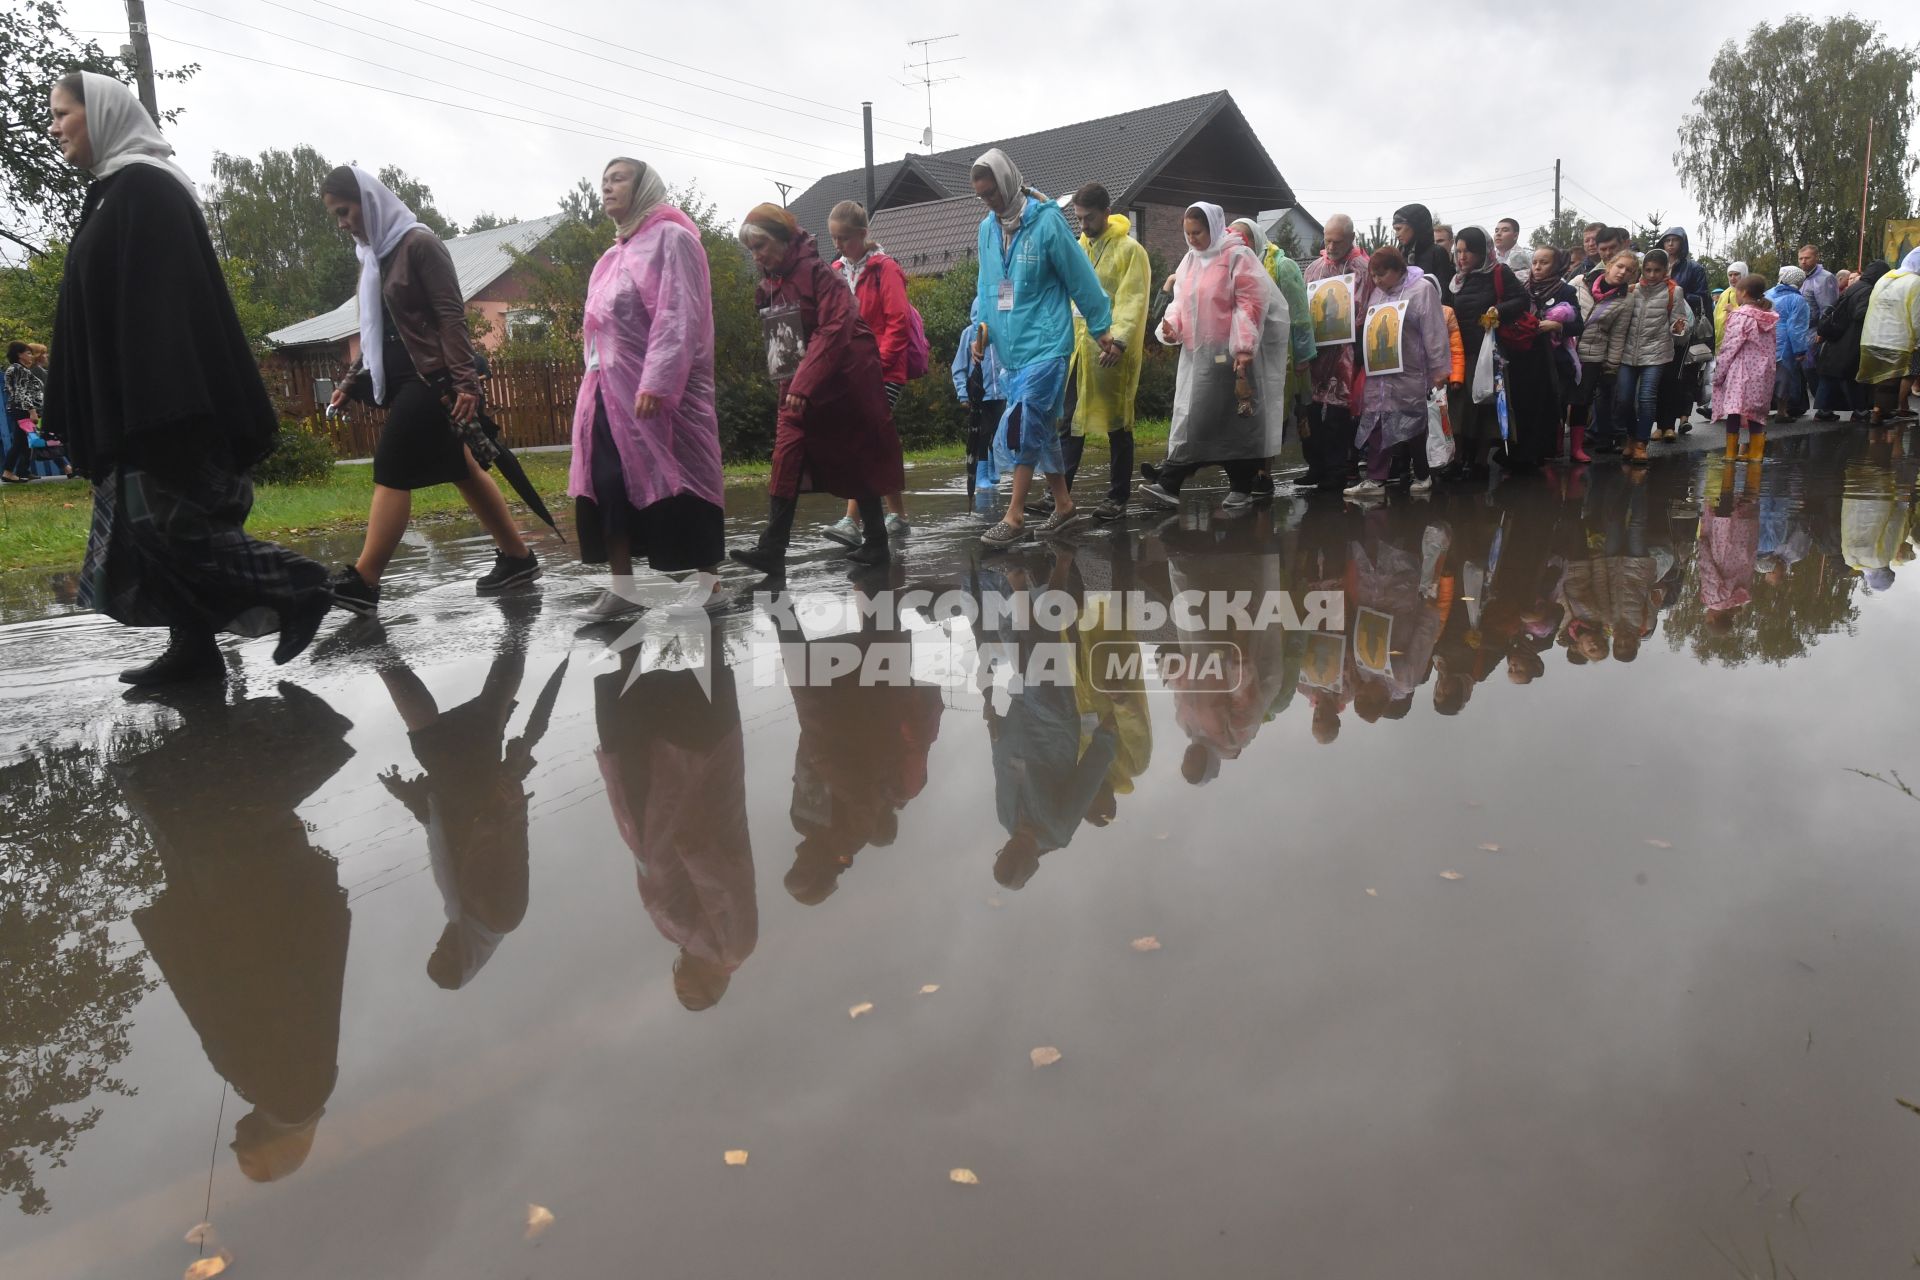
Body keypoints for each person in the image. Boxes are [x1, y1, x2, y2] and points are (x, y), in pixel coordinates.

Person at [45, 72, 332, 685]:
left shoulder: (147, 191)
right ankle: (194, 649)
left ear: (101, 114)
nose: (53, 126)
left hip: (167, 403)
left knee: (170, 527)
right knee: (139, 533)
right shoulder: (113, 192)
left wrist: (155, 410)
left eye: (63, 113)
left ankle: (300, 584)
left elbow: (165, 316)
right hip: (142, 402)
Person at [121, 683, 356, 1185]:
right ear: (273, 1146)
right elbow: (213, 1004)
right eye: (245, 1151)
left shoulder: (309, 1091)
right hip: (245, 925)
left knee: (233, 818)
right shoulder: (277, 1090)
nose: (234, 1140)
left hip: (283, 922)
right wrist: (178, 935)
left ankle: (270, 726)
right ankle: (316, 739)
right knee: (205, 820)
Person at [321, 166, 539, 615]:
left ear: (369, 202)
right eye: (336, 217)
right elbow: (376, 331)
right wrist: (349, 382)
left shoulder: (420, 244)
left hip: (432, 379)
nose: (342, 224)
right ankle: (517, 558)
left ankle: (364, 581)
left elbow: (449, 317)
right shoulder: (373, 257)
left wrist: (465, 381)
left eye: (345, 212)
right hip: (402, 378)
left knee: (391, 466)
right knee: (461, 468)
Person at [567, 158, 726, 621]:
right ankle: (623, 589)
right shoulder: (610, 256)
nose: (607, 187)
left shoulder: (673, 239)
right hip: (605, 391)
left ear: (643, 188)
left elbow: (679, 312)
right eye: (604, 180)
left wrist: (657, 378)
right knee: (607, 483)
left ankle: (710, 583)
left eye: (619, 179)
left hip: (664, 394)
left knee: (684, 480)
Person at [728, 203, 904, 573]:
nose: (757, 256)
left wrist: (803, 382)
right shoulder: (770, 285)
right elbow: (782, 344)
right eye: (752, 250)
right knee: (785, 454)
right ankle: (772, 549)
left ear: (782, 239)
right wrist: (789, 388)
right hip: (804, 385)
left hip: (848, 381)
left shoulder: (821, 276)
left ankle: (876, 542)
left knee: (858, 457)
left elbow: (835, 328)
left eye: (760, 246)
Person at [966, 148, 1120, 548]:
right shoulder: (987, 230)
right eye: (982, 195)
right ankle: (1065, 506)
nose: (988, 201)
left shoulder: (1047, 222)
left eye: (992, 192)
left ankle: (1013, 516)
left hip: (1049, 345)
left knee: (1021, 422)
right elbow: (986, 287)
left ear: (1007, 182)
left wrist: (1101, 326)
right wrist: (981, 331)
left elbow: (1080, 276)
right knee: (1042, 430)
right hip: (1011, 350)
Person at [595, 645, 754, 1011]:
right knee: (681, 711)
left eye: (677, 985)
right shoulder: (731, 946)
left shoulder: (687, 942)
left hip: (655, 824)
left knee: (633, 718)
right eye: (687, 986)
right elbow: (723, 886)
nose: (678, 979)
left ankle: (629, 609)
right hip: (683, 815)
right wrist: (688, 842)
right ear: (710, 984)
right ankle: (703, 595)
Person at [1139, 203, 1288, 510]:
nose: (1192, 239)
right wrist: (1171, 328)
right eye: (1188, 233)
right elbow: (1181, 302)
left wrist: (1244, 347)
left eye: (1198, 232)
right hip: (1198, 355)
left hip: (1229, 357)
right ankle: (1231, 485)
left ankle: (1175, 482)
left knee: (1214, 421)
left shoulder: (1237, 257)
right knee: (1207, 419)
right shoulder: (1190, 261)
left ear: (1214, 228)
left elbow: (1250, 303)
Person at [821, 200, 913, 547]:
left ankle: (850, 520)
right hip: (849, 372)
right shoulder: (835, 271)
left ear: (862, 234)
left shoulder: (885, 270)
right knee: (877, 441)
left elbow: (898, 322)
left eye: (844, 238)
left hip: (884, 371)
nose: (838, 245)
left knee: (861, 438)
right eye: (834, 238)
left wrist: (877, 364)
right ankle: (899, 516)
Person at [1065, 181, 1152, 520]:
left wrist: (1118, 340)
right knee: (1068, 420)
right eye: (1079, 219)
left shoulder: (1130, 251)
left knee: (1118, 424)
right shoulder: (1079, 246)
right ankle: (1058, 494)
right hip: (1076, 349)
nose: (1083, 225)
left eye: (1088, 218)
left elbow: (1132, 299)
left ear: (1106, 212)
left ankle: (1117, 497)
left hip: (1110, 350)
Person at [1342, 246, 1447, 499]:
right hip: (1381, 371)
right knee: (1377, 422)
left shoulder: (1422, 289)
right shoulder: (1377, 293)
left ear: (1398, 268)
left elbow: (1434, 330)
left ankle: (1422, 475)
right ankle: (1376, 479)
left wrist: (1439, 368)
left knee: (1413, 424)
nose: (1377, 280)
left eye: (1382, 273)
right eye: (1374, 275)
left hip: (1412, 370)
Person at [1229, 217, 1316, 494]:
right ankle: (1247, 472)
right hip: (1250, 351)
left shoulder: (1282, 266)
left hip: (1282, 353)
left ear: (1255, 238)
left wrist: (1303, 355)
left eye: (1244, 239)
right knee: (1250, 412)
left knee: (1273, 413)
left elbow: (1299, 314)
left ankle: (1264, 473)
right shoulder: (1234, 266)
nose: (1239, 243)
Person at [1446, 226, 1528, 474]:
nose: (1462, 257)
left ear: (1482, 252)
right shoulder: (1458, 279)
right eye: (1458, 251)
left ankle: (1481, 461)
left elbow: (1522, 300)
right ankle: (1457, 459)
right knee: (1460, 408)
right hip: (1462, 353)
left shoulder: (1499, 272)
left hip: (1489, 353)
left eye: (1468, 251)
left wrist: (1498, 311)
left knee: (1486, 407)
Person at [1603, 248, 1693, 466]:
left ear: (1666, 270)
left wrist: (1680, 327)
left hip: (1656, 352)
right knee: (1623, 399)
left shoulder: (1674, 292)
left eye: (1657, 270)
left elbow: (1679, 322)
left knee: (1646, 398)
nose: (1652, 274)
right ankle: (1631, 437)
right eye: (1648, 270)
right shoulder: (1631, 290)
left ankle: (1641, 443)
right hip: (1627, 352)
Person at [1299, 213, 1369, 491]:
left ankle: (1338, 469)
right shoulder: (1314, 269)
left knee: (1339, 415)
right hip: (1317, 351)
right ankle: (1316, 466)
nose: (1330, 247)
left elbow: (1363, 310)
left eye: (1337, 241)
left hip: (1346, 353)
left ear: (1351, 238)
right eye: (1327, 240)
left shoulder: (1361, 268)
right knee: (1311, 412)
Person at [1571, 247, 1637, 457]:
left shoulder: (1626, 300)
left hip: (1593, 354)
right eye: (1619, 266)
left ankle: (1577, 447)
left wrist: (1611, 367)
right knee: (1561, 397)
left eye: (1629, 270)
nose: (1622, 272)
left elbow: (1618, 336)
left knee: (1582, 400)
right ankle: (1553, 443)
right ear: (1609, 265)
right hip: (1567, 349)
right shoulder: (1580, 282)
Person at [1523, 245, 1584, 465]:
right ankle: (1531, 449)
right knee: (1530, 404)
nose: (1538, 267)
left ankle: (1550, 447)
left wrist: (1557, 325)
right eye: (1535, 262)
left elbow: (1578, 325)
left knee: (1555, 402)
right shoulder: (1524, 288)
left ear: (1556, 265)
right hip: (1528, 356)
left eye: (1544, 262)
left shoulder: (1565, 291)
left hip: (1555, 357)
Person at [1712, 275, 1777, 462]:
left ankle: (1731, 453)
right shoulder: (1768, 318)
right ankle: (1756, 454)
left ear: (1744, 293)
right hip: (1763, 372)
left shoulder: (1740, 316)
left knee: (1734, 409)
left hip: (1741, 371)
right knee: (1755, 413)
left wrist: (1719, 373)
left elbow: (1730, 346)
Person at [1818, 259, 1890, 420]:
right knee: (1852, 376)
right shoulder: (1868, 290)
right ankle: (1859, 411)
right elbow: (1860, 313)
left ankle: (1824, 411)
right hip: (1851, 340)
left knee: (1831, 376)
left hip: (1837, 338)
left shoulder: (1855, 287)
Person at [1654, 228, 1708, 438]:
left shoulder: (1694, 268)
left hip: (1683, 327)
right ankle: (1661, 424)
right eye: (1667, 240)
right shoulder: (1655, 264)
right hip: (1657, 326)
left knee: (1679, 376)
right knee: (1658, 377)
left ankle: (1676, 421)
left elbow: (1702, 297)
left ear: (1682, 243)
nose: (1670, 244)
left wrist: (1679, 292)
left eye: (1675, 240)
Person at [1858, 259, 1920, 424]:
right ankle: (1878, 413)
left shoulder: (1885, 278)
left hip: (1872, 336)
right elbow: (1917, 315)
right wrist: (1917, 340)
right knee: (1892, 379)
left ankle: (1879, 409)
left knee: (1878, 378)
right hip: (1898, 338)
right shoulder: (1916, 282)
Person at [1767, 265, 1812, 421]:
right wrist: (1800, 350)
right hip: (1784, 343)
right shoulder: (1797, 300)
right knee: (1783, 379)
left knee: (1765, 378)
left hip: (1765, 341)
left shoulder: (1768, 294)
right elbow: (1796, 328)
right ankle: (1782, 411)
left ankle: (1761, 411)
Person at [1393, 203, 1455, 287]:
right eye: (1395, 230)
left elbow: (1443, 292)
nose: (1397, 235)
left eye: (1399, 229)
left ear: (1415, 226)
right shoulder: (1398, 255)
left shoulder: (1437, 253)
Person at [3, 340, 39, 483]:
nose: (31, 356)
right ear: (19, 354)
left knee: (24, 441)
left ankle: (23, 471)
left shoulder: (14, 368)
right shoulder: (19, 369)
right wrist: (32, 411)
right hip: (22, 409)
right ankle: (8, 472)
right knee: (20, 442)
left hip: (17, 408)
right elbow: (22, 391)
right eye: (28, 353)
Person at [1714, 260, 1748, 344]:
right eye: (1730, 275)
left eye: (1736, 274)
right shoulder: (1724, 294)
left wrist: (1734, 310)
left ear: (1743, 274)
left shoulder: (1750, 292)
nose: (1733, 278)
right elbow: (1715, 315)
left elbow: (1753, 315)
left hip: (1742, 339)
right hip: (1722, 339)